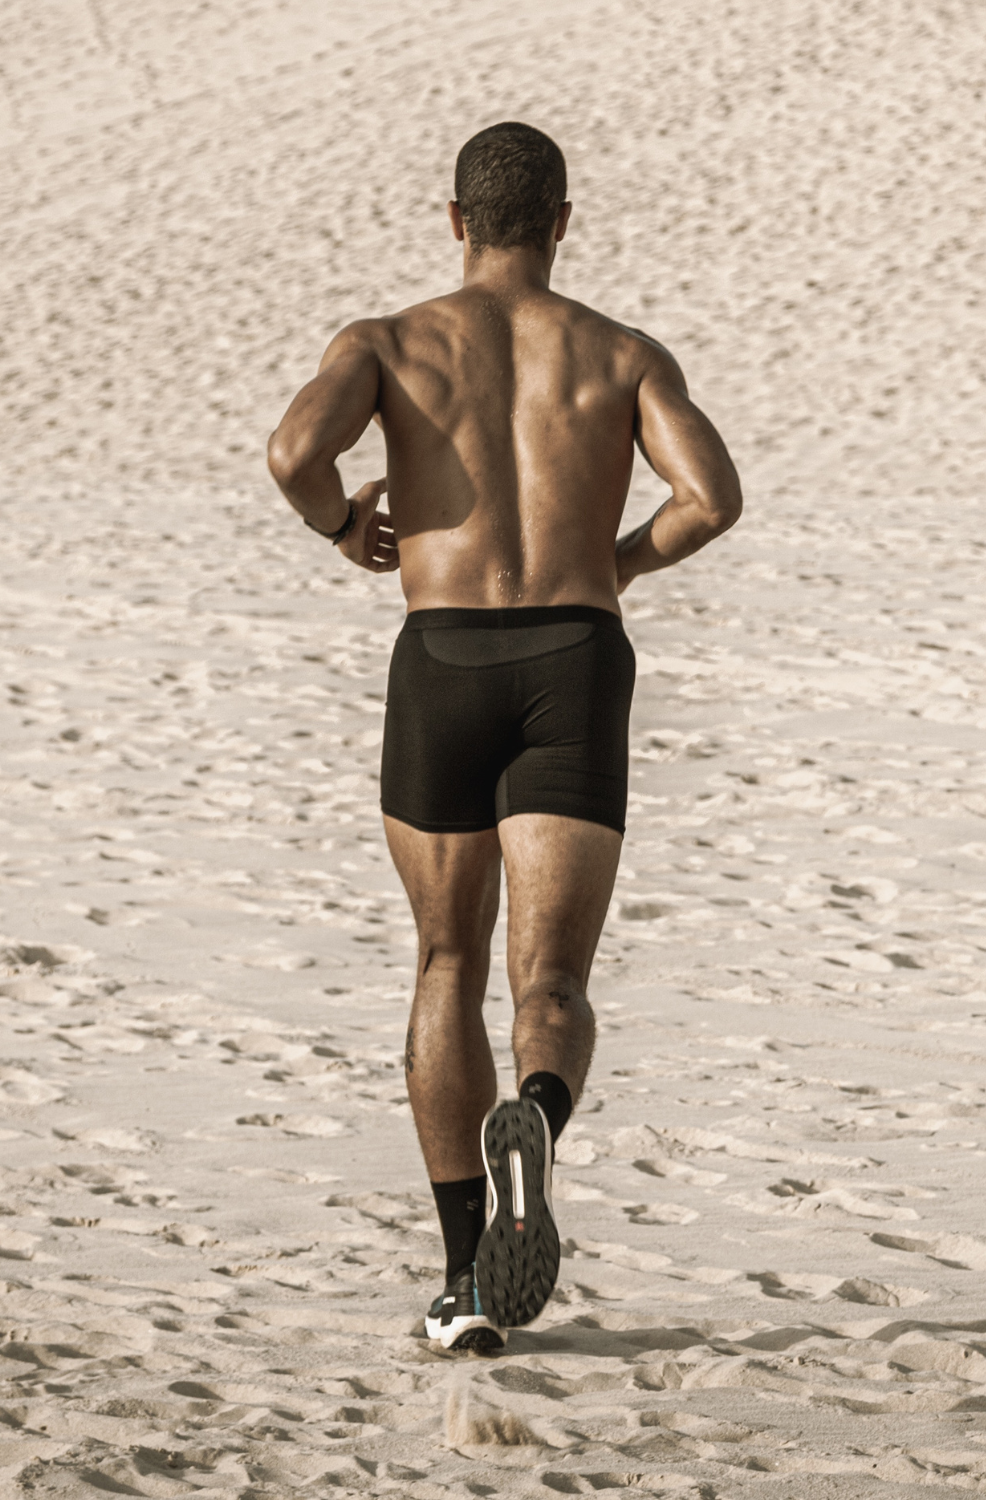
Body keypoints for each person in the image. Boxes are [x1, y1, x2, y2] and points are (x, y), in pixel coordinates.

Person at [267, 122, 742, 1352]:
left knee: (443, 967)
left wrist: (341, 529)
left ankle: (465, 1277)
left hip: (444, 659)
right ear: (564, 221)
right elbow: (712, 500)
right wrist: (615, 566)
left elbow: (292, 453)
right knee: (554, 983)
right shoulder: (622, 352)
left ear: (454, 219)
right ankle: (536, 1109)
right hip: (574, 662)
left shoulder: (384, 343)